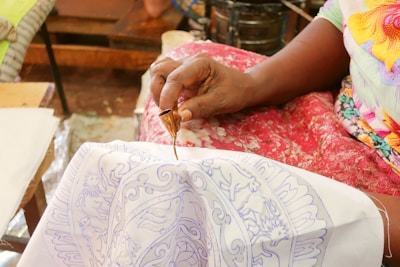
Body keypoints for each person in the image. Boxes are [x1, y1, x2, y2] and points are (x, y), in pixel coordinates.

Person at [148, 0, 400, 265]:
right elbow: (351, 15)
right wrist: (251, 83)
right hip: (352, 117)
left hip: (382, 204)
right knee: (177, 177)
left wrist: (328, 209)